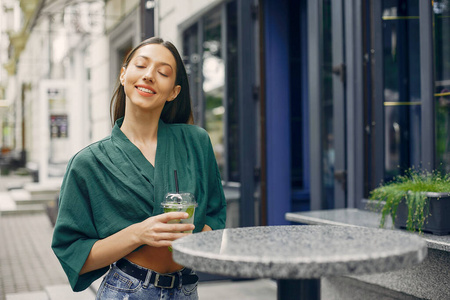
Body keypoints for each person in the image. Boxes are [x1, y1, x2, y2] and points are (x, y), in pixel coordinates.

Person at [51, 37, 227, 300]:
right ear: (123, 75)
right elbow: (75, 254)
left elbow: (215, 212)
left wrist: (197, 240)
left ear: (173, 92)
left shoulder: (196, 141)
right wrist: (139, 233)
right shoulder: (88, 163)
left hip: (186, 288)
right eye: (141, 66)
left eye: (163, 72)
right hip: (128, 289)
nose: (149, 76)